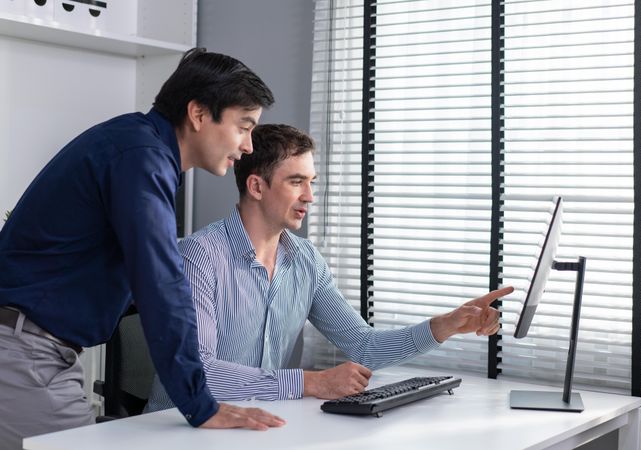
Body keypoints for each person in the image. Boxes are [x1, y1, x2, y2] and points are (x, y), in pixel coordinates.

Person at [0, 48, 286, 450]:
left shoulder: (139, 148)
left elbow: (141, 278)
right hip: (24, 356)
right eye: (244, 126)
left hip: (36, 352)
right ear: (199, 114)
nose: (249, 146)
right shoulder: (142, 159)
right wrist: (200, 405)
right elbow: (160, 286)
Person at [145, 123, 514, 410]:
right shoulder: (199, 257)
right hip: (179, 429)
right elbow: (199, 372)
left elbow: (363, 346)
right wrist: (310, 383)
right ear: (256, 186)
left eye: (311, 182)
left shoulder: (305, 261)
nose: (309, 196)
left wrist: (443, 326)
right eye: (296, 182)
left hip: (253, 426)